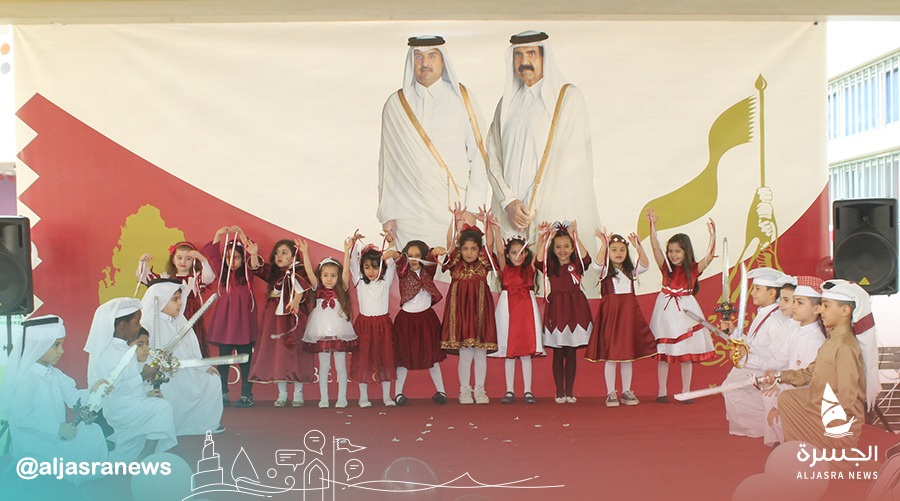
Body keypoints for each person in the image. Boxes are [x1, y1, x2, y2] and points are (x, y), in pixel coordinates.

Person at [485, 30, 601, 259]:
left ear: (544, 57)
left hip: (549, 210)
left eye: (531, 54)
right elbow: (492, 156)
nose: (524, 61)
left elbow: (569, 161)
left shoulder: (567, 98)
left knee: (551, 272)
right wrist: (508, 202)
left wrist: (530, 207)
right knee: (510, 276)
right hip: (508, 216)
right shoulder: (506, 103)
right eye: (518, 55)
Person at [377, 35, 489, 248]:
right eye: (418, 56)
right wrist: (388, 213)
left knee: (451, 266)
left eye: (432, 56)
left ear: (443, 60)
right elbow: (386, 164)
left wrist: (473, 209)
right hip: (408, 212)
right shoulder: (396, 104)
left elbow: (479, 154)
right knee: (412, 266)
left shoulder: (461, 98)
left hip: (453, 208)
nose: (425, 63)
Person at [764, 279, 880, 461]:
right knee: (787, 398)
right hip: (820, 405)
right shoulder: (832, 340)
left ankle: (815, 457)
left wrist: (839, 427)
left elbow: (848, 393)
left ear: (844, 311)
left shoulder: (845, 346)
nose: (821, 310)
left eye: (826, 305)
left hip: (837, 417)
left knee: (841, 468)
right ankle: (801, 452)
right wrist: (779, 376)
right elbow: (809, 373)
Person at [0, 316, 109, 484]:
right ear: (38, 345)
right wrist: (57, 428)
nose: (61, 351)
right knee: (65, 459)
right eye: (56, 345)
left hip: (55, 435)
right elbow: (21, 418)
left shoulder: (54, 374)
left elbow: (74, 398)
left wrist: (94, 391)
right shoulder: (26, 380)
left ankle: (75, 480)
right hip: (36, 441)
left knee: (93, 432)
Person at [84, 298, 177, 462]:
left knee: (127, 455)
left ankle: (135, 455)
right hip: (120, 406)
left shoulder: (123, 349)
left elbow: (128, 381)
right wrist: (143, 376)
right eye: (136, 322)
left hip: (129, 402)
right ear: (123, 326)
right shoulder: (112, 353)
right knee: (162, 408)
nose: (140, 326)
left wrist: (146, 380)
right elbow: (115, 388)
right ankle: (146, 455)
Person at [646, 208, 716, 403]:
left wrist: (713, 236)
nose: (673, 255)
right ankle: (662, 391)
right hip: (666, 311)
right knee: (664, 352)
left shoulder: (693, 269)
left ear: (686, 251)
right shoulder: (665, 268)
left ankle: (686, 391)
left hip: (686, 311)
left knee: (686, 352)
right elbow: (655, 249)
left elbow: (710, 257)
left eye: (677, 251)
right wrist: (653, 225)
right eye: (670, 251)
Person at [141, 279, 224, 436]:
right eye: (175, 300)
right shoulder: (148, 324)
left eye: (180, 299)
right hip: (163, 376)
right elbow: (142, 356)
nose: (180, 303)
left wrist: (204, 367)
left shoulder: (180, 321)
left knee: (213, 380)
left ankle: (202, 426)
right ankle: (170, 427)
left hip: (186, 371)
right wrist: (157, 366)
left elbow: (192, 350)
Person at [586, 231, 656, 407]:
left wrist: (638, 246)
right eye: (614, 249)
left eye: (622, 250)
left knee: (627, 355)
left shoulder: (630, 271)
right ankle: (611, 392)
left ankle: (627, 391)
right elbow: (597, 264)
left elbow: (645, 265)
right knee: (611, 356)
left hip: (628, 315)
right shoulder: (604, 271)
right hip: (612, 316)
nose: (618, 252)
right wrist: (604, 244)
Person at [720, 267, 791, 437]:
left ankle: (764, 426)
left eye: (757, 289)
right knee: (729, 385)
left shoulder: (776, 320)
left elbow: (775, 355)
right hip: (756, 362)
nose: (752, 293)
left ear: (772, 293)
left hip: (766, 368)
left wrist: (746, 357)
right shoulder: (765, 313)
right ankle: (755, 426)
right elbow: (754, 344)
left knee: (731, 387)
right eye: (753, 288)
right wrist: (735, 333)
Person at [247, 238, 316, 407]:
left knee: (298, 351)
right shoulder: (274, 273)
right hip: (275, 315)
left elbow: (303, 288)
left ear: (293, 257)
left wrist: (296, 301)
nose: (279, 256)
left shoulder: (299, 270)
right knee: (277, 352)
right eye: (277, 252)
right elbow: (257, 268)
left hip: (294, 314)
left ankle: (298, 393)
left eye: (284, 253)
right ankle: (282, 393)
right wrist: (254, 254)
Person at [441, 203, 498, 405]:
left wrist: (487, 223)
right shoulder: (455, 260)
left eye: (473, 248)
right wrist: (454, 222)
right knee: (465, 353)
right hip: (460, 311)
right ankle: (464, 390)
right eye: (465, 248)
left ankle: (480, 389)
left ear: (479, 250)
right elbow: (450, 243)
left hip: (481, 309)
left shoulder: (483, 261)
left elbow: (490, 245)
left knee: (480, 352)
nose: (469, 252)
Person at [761, 276, 826, 447]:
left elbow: (804, 379)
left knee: (774, 397)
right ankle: (783, 442)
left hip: (806, 395)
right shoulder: (796, 332)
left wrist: (780, 395)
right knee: (769, 392)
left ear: (817, 309)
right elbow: (777, 360)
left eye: (800, 303)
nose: (794, 307)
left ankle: (795, 445)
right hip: (792, 386)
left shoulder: (815, 340)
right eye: (794, 302)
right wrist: (747, 360)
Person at [535, 220, 592, 403]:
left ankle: (570, 391)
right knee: (558, 353)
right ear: (553, 249)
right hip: (557, 310)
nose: (562, 250)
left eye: (567, 246)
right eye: (558, 246)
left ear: (572, 247)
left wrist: (576, 235)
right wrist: (544, 238)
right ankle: (559, 391)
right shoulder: (551, 266)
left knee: (571, 352)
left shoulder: (577, 264)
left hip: (575, 310)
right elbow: (538, 261)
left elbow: (587, 259)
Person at [298, 240, 359, 409]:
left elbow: (346, 270)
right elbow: (308, 271)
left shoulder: (342, 288)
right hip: (321, 330)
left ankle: (342, 398)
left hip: (339, 330)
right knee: (324, 367)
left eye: (333, 275)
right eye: (325, 275)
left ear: (338, 277)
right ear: (320, 276)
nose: (329, 278)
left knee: (340, 367)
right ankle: (324, 398)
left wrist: (346, 251)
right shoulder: (317, 287)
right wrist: (305, 252)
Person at [201, 226, 257, 408]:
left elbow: (251, 255)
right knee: (223, 359)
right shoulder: (223, 273)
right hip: (225, 322)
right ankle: (222, 392)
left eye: (236, 257)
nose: (232, 261)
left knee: (245, 359)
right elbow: (215, 256)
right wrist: (218, 234)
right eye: (228, 257)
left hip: (243, 322)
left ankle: (247, 394)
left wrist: (241, 234)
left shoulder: (248, 273)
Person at [390, 239, 448, 406]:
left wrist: (436, 251)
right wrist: (391, 250)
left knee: (432, 356)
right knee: (403, 358)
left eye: (417, 255)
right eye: (410, 256)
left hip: (426, 320)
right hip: (406, 321)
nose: (414, 259)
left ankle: (441, 391)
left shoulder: (428, 270)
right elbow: (396, 257)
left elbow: (432, 257)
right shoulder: (403, 272)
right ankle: (398, 394)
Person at [489, 233, 544, 404]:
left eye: (522, 252)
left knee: (526, 352)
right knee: (510, 352)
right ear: (508, 255)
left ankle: (528, 391)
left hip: (527, 309)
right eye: (514, 253)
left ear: (526, 253)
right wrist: (496, 229)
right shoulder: (505, 268)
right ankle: (509, 391)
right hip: (508, 308)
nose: (518, 256)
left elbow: (539, 256)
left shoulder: (530, 268)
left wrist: (542, 237)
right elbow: (499, 251)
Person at [137, 241, 216, 356]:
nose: (183, 261)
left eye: (188, 258)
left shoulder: (195, 278)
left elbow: (209, 278)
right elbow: (148, 279)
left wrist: (203, 259)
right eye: (179, 258)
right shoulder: (166, 278)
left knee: (191, 343)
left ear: (193, 261)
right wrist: (142, 262)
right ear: (173, 260)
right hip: (171, 316)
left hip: (190, 317)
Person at [348, 231, 398, 408]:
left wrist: (391, 242)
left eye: (375, 267)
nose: (371, 271)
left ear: (381, 268)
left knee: (385, 359)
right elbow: (353, 264)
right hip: (364, 326)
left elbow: (392, 262)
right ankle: (363, 397)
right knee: (364, 360)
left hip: (383, 325)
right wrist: (354, 244)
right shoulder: (360, 282)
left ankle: (387, 396)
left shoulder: (386, 282)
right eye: (367, 267)